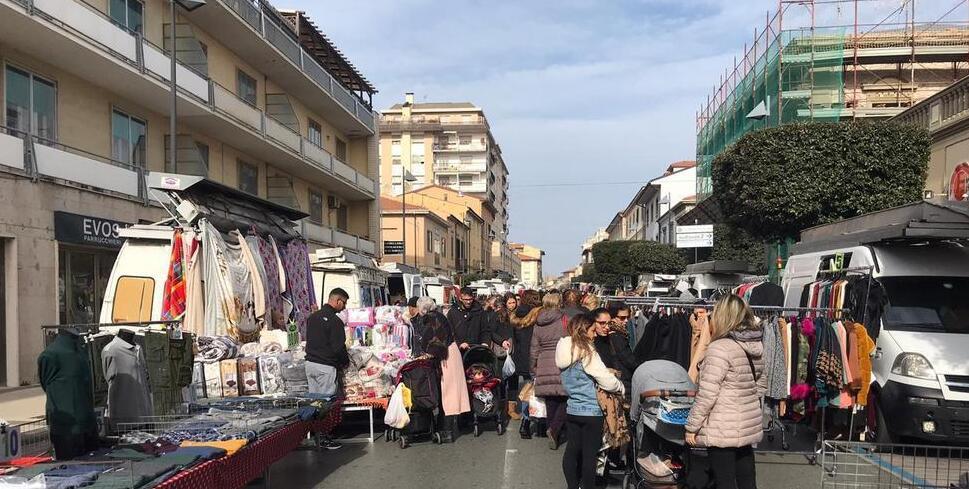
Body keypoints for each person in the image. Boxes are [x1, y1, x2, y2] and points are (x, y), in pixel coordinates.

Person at [685, 294, 766, 489]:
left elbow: (707, 394)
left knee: (724, 482)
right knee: (747, 482)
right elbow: (761, 384)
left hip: (722, 426)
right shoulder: (755, 345)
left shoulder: (719, 348)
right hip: (746, 423)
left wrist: (691, 426)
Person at [556, 313, 624, 489]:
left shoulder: (564, 348)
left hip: (572, 409)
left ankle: (572, 486)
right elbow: (605, 379)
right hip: (592, 411)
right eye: (593, 330)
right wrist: (620, 387)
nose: (595, 334)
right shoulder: (586, 350)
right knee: (589, 456)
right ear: (584, 330)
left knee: (571, 451)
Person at [416, 297, 470, 443]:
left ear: (423, 309)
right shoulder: (438, 316)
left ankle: (447, 431)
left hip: (447, 356)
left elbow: (437, 341)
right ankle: (445, 428)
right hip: (449, 354)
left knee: (449, 393)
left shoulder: (433, 318)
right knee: (447, 393)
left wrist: (427, 353)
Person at [305, 287, 350, 450]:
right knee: (325, 403)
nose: (344, 307)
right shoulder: (335, 322)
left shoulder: (312, 318)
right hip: (325, 366)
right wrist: (345, 362)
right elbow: (339, 348)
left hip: (310, 365)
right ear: (337, 301)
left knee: (315, 401)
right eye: (343, 303)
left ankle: (314, 434)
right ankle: (324, 436)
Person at [531, 291, 568, 449]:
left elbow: (534, 349)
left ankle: (551, 429)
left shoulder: (538, 323)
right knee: (566, 399)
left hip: (544, 362)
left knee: (550, 401)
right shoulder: (564, 320)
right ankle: (554, 430)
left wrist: (533, 368)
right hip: (562, 361)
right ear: (558, 303)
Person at [510, 290, 541, 438]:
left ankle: (526, 421)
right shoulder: (538, 315)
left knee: (528, 389)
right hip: (536, 358)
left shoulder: (516, 314)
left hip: (521, 357)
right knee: (539, 391)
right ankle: (536, 423)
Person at [591, 307, 637, 391]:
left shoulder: (613, 338)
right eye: (602, 323)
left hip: (617, 387)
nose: (607, 327)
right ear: (593, 323)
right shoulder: (589, 343)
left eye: (608, 323)